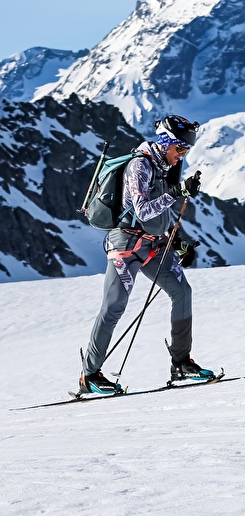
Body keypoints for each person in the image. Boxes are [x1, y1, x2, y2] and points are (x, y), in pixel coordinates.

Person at [78, 115, 213, 394]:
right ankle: (89, 375)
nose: (183, 155)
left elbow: (159, 219)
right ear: (166, 143)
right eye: (181, 149)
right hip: (125, 246)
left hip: (154, 246)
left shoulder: (163, 167)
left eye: (186, 150)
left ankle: (181, 363)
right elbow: (143, 211)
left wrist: (177, 244)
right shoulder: (140, 166)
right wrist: (177, 192)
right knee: (114, 306)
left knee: (182, 292)